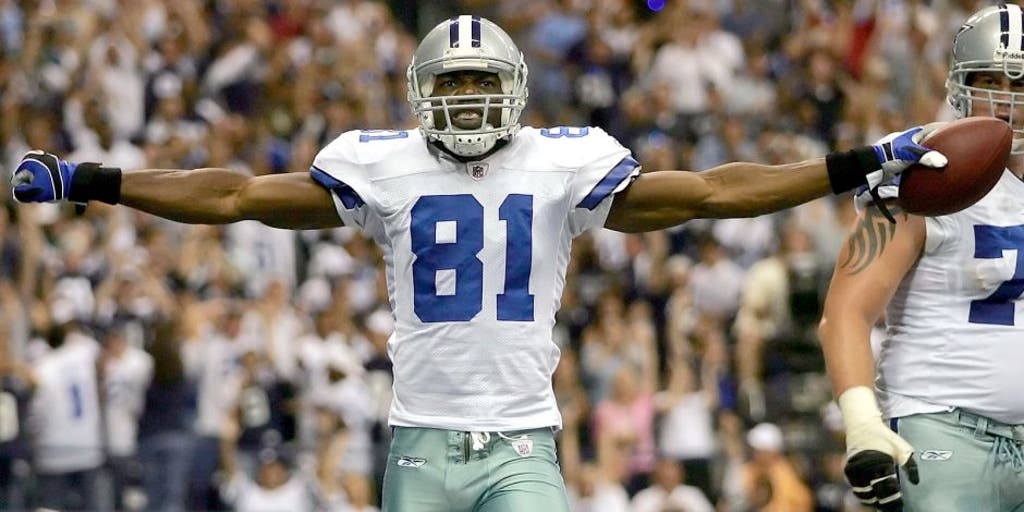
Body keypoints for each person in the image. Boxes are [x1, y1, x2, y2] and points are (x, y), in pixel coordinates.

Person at [11, 15, 944, 512]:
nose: (464, 101)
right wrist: (97, 178)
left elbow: (706, 192)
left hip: (523, 444)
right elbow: (235, 195)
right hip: (418, 442)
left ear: (515, 93)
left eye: (480, 84)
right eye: (450, 85)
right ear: (422, 95)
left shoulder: (562, 158)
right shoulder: (379, 161)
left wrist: (854, 163)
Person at [819, 5, 1024, 512]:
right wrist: (862, 421)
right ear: (960, 84)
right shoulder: (926, 170)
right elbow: (847, 312)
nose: (1004, 99)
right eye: (988, 79)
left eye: (1019, 84)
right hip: (942, 429)